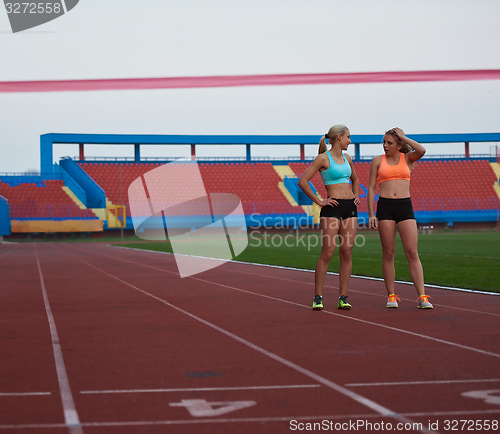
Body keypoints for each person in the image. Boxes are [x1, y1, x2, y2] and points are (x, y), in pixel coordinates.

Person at [367, 127, 433, 309]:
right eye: (384, 142)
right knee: (389, 253)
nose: (385, 146)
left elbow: (422, 150)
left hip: (405, 206)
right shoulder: (377, 161)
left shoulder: (408, 158)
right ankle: (391, 296)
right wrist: (371, 213)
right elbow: (372, 188)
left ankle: (422, 296)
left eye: (389, 143)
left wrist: (404, 136)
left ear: (398, 144)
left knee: (412, 252)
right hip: (385, 207)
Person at [298, 125, 360, 310]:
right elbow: (302, 181)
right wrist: (319, 201)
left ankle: (343, 297)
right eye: (348, 137)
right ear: (339, 137)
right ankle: (318, 297)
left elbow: (355, 179)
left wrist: (356, 195)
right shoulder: (323, 158)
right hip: (331, 208)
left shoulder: (347, 158)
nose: (350, 140)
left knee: (347, 252)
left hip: (350, 208)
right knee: (328, 252)